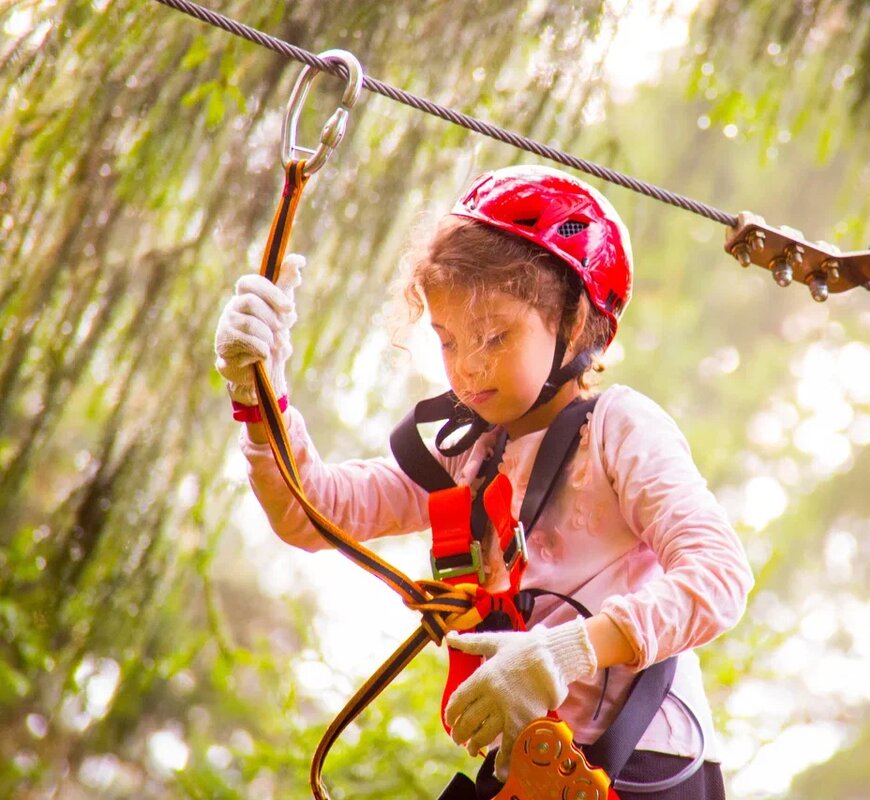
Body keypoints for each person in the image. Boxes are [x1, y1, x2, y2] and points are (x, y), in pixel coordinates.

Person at [213, 165, 753, 799]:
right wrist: (260, 398)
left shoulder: (619, 430)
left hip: (643, 764)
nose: (468, 367)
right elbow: (314, 515)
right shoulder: (471, 456)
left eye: (494, 336)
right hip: (534, 771)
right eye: (447, 341)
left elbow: (718, 576)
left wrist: (568, 652)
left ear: (574, 324)